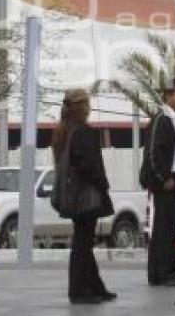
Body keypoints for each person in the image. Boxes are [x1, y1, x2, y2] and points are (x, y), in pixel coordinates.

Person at [51, 89, 117, 305]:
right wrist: (103, 185)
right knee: (83, 244)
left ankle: (95, 287)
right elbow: (89, 166)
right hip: (86, 195)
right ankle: (80, 291)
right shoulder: (83, 131)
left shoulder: (63, 130)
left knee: (82, 242)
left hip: (72, 195)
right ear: (83, 106)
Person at [144, 79, 175, 288]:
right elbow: (154, 153)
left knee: (170, 227)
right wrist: (164, 178)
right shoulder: (162, 119)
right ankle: (162, 273)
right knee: (164, 228)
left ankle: (165, 271)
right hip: (166, 180)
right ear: (168, 96)